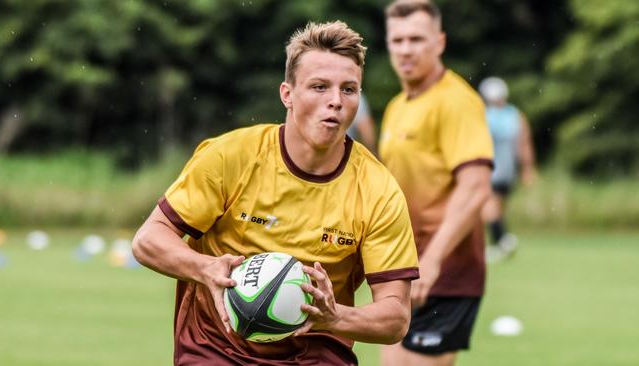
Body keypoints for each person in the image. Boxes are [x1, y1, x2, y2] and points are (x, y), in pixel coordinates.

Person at [132, 21, 420, 365]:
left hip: (315, 355)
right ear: (287, 94)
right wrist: (205, 268)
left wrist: (335, 317)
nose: (335, 101)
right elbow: (148, 240)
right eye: (319, 87)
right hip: (214, 350)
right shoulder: (230, 156)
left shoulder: (379, 190)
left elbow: (396, 316)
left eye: (348, 89)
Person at [378, 1, 494, 365]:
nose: (406, 49)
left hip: (444, 274)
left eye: (416, 39)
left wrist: (432, 261)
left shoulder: (457, 101)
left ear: (439, 42)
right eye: (397, 40)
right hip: (402, 272)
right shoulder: (397, 106)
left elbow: (475, 187)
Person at [478, 76, 537, 262]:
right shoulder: (516, 115)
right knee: (496, 206)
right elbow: (524, 145)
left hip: (493, 169)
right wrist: (527, 169)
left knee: (490, 207)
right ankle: (500, 244)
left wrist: (528, 168)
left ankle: (503, 241)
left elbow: (524, 144)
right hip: (507, 171)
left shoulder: (484, 115)